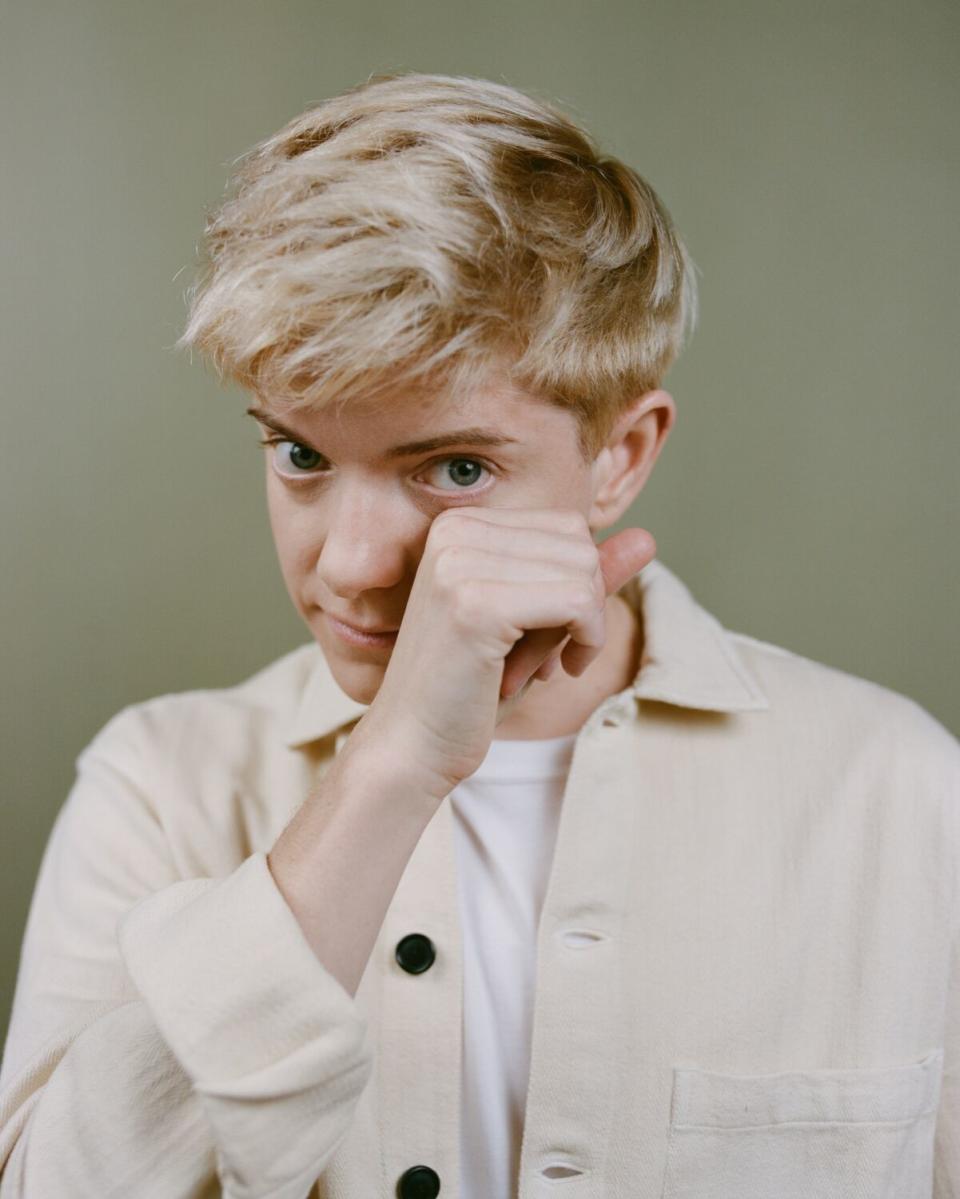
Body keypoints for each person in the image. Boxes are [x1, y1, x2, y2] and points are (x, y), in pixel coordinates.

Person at [0, 70, 956, 1199]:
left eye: (454, 468)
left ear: (621, 454)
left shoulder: (900, 793)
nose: (350, 562)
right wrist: (394, 766)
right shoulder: (159, 786)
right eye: (300, 453)